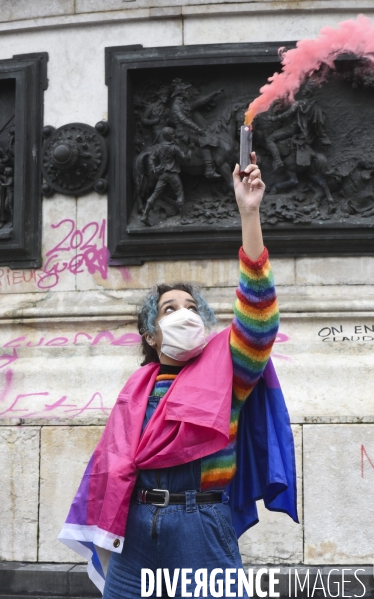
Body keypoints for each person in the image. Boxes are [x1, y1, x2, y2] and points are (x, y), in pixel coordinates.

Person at [58, 153, 298, 597]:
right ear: (151, 334)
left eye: (192, 309)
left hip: (200, 528)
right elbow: (111, 470)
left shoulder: (232, 372)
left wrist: (249, 214)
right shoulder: (136, 389)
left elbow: (260, 315)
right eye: (170, 310)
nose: (184, 315)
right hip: (135, 531)